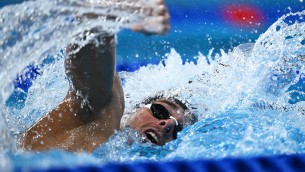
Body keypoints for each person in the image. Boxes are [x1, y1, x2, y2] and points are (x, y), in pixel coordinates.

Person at [22, 0, 196, 152]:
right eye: (160, 111)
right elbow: (90, 17)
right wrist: (131, 8)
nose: (169, 125)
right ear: (135, 109)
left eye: (177, 130)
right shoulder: (104, 111)